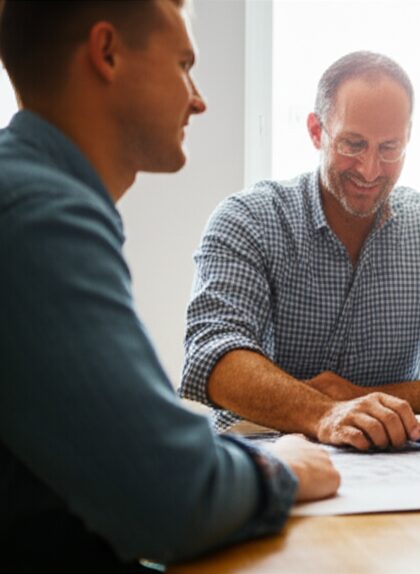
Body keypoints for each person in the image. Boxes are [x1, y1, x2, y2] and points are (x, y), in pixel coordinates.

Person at [0, 0, 340, 569]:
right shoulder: (38, 217)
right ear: (107, 53)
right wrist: (282, 468)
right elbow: (170, 497)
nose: (198, 98)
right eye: (184, 64)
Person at [179, 51, 420, 450]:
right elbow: (212, 355)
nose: (370, 169)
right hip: (259, 464)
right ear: (317, 131)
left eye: (390, 148)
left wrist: (366, 400)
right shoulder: (248, 219)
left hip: (389, 467)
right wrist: (324, 412)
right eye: (353, 144)